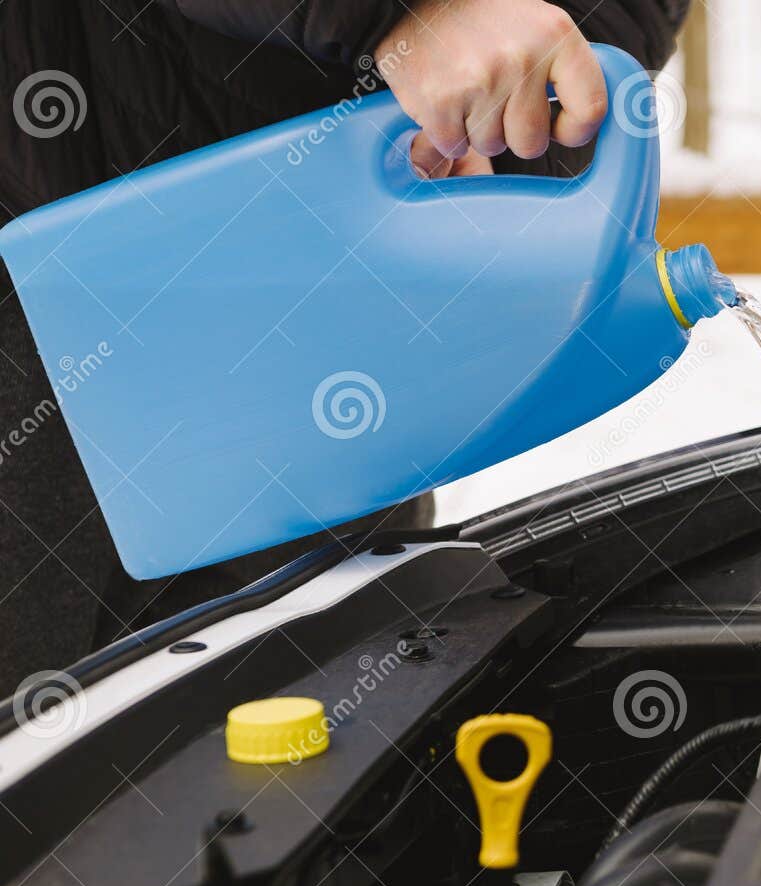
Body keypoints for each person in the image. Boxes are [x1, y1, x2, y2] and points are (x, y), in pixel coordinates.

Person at [0, 0, 688, 691]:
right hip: (55, 252)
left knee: (308, 721)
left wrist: (505, 130)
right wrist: (404, 14)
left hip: (347, 296)